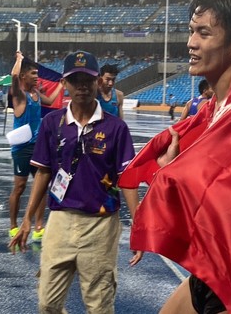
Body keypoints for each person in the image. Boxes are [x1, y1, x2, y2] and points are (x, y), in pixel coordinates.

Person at [118, 0, 231, 313]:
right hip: (214, 267)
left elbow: (204, 187)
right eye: (191, 31)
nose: (191, 43)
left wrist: (165, 171)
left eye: (203, 33)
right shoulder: (218, 106)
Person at [9, 50, 142, 313]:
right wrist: (27, 220)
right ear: (64, 84)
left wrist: (138, 223)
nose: (81, 85)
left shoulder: (116, 128)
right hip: (60, 221)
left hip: (101, 224)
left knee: (99, 304)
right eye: (74, 79)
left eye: (88, 79)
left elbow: (127, 180)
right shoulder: (51, 123)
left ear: (97, 82)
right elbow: (44, 173)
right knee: (47, 302)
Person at [8, 51, 62, 241]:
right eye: (33, 74)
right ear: (24, 76)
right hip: (22, 148)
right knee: (20, 187)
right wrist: (19, 60)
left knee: (41, 186)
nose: (37, 77)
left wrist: (61, 85)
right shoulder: (19, 95)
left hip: (39, 147)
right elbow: (13, 76)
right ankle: (13, 225)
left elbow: (51, 100)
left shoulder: (36, 93)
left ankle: (39, 226)